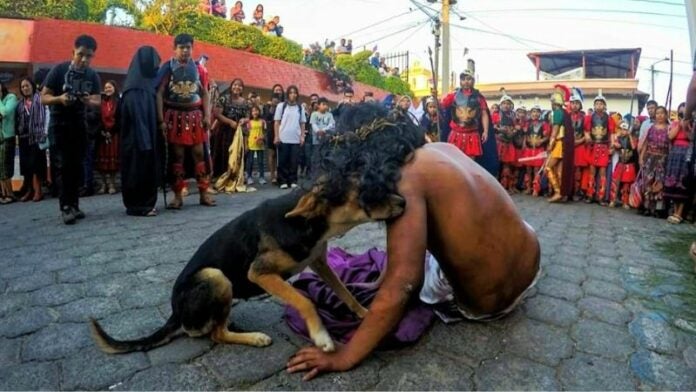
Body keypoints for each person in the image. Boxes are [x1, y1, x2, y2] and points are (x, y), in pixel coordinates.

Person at [286, 103, 540, 380]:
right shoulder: (441, 148)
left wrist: (346, 355)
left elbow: (404, 284)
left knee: (413, 270)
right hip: (530, 262)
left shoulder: (405, 180)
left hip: (488, 303)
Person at [41, 34, 102, 223]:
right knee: (62, 166)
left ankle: (74, 205)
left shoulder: (92, 75)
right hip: (59, 124)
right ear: (73, 52)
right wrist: (60, 99)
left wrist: (87, 100)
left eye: (88, 56)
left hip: (79, 124)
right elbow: (44, 97)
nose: (84, 59)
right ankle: (65, 207)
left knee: (77, 166)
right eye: (80, 54)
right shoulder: (59, 70)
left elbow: (98, 100)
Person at [156, 33, 215, 209]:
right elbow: (159, 93)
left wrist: (206, 115)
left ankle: (204, 193)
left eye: (188, 47)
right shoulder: (167, 67)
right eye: (181, 47)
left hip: (195, 116)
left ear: (192, 48)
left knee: (199, 154)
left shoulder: (200, 69)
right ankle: (178, 196)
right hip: (174, 116)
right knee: (177, 156)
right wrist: (161, 120)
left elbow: (204, 93)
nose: (185, 51)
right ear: (175, 49)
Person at [120, 46, 163, 217]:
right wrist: (146, 142)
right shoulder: (136, 88)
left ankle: (142, 204)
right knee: (137, 170)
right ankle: (140, 206)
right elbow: (138, 117)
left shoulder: (140, 84)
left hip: (142, 140)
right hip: (139, 142)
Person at [440, 70, 492, 173]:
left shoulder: (479, 97)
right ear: (460, 81)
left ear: (473, 81)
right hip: (456, 133)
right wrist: (435, 97)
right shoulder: (453, 95)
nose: (466, 81)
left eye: (468, 79)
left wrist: (485, 131)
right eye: (463, 79)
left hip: (471, 134)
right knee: (453, 161)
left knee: (470, 163)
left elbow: (484, 114)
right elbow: (443, 105)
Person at [15, 77, 47, 202]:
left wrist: (44, 132)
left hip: (37, 137)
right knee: (26, 166)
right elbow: (17, 120)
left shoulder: (40, 99)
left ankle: (38, 190)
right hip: (24, 138)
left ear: (32, 86)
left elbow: (46, 116)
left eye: (27, 85)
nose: (25, 88)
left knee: (36, 165)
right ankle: (29, 190)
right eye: (22, 87)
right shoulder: (20, 103)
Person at [212, 78, 249, 178]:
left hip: (238, 133)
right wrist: (230, 122)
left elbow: (247, 116)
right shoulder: (224, 98)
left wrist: (244, 120)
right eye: (235, 85)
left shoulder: (245, 102)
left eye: (239, 85)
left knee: (236, 155)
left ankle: (233, 178)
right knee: (223, 155)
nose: (237, 87)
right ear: (231, 86)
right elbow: (217, 114)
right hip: (224, 132)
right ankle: (220, 179)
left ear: (242, 88)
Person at [584, 90, 615, 205]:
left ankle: (601, 197)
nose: (599, 106)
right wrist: (587, 136)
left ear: (605, 105)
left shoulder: (609, 118)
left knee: (602, 172)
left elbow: (611, 133)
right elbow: (586, 130)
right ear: (594, 105)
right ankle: (590, 195)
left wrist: (612, 146)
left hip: (603, 147)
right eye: (597, 104)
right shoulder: (589, 118)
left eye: (601, 104)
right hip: (593, 147)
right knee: (592, 172)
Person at [638, 106, 670, 217]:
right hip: (650, 158)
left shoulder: (669, 128)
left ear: (666, 115)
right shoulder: (650, 128)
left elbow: (670, 145)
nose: (660, 115)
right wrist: (641, 157)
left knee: (660, 183)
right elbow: (646, 144)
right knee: (647, 182)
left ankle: (659, 209)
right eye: (657, 113)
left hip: (663, 159)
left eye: (662, 113)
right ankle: (647, 207)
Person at [545, 84, 575, 203]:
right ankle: (563, 193)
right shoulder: (565, 113)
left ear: (554, 102)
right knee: (559, 170)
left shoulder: (557, 112)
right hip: (564, 144)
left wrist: (550, 145)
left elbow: (555, 131)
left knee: (548, 167)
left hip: (559, 144)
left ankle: (558, 191)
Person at [273, 85, 306, 189]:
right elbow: (277, 122)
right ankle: (282, 180)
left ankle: (292, 180)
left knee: (294, 161)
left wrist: (302, 137)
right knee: (282, 161)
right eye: (291, 92)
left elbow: (302, 123)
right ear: (287, 94)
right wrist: (276, 136)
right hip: (283, 137)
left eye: (295, 92)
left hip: (295, 138)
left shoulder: (300, 108)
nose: (293, 94)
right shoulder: (281, 106)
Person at [664, 102, 691, 223]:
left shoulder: (692, 124)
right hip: (675, 153)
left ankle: (680, 212)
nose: (683, 115)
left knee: (683, 181)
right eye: (681, 113)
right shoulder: (675, 124)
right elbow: (670, 137)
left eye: (685, 112)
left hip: (687, 153)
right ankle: (675, 212)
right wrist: (680, 125)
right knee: (673, 181)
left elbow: (691, 137)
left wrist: (687, 125)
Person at [96, 80, 120, 194]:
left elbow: (120, 118)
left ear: (114, 88)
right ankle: (103, 183)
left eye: (109, 87)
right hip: (102, 135)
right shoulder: (101, 102)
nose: (107, 89)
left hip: (114, 134)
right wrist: (103, 131)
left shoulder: (119, 102)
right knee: (102, 161)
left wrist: (112, 131)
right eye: (105, 88)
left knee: (113, 160)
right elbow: (98, 117)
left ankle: (112, 183)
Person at [608, 121, 637, 209]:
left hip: (629, 164)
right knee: (615, 182)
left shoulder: (632, 138)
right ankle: (613, 200)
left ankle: (625, 201)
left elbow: (633, 147)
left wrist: (630, 136)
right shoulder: (618, 138)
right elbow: (615, 145)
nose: (623, 131)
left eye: (625, 129)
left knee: (627, 184)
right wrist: (616, 140)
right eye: (622, 129)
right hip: (620, 163)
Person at [521, 103, 548, 196]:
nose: (535, 114)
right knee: (528, 169)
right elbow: (525, 135)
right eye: (533, 111)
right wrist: (524, 144)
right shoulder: (527, 123)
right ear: (530, 113)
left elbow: (547, 136)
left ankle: (536, 189)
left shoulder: (544, 124)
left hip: (538, 149)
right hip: (529, 149)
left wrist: (541, 140)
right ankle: (528, 187)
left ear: (540, 113)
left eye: (537, 112)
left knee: (537, 169)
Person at [0, 81, 18, 204]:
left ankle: (10, 194)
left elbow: (4, 112)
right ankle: (3, 193)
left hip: (7, 137)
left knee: (6, 166)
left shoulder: (11, 98)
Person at [569, 88, 589, 201]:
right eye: (573, 103)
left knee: (578, 170)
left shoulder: (585, 118)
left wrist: (579, 141)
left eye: (577, 103)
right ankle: (569, 191)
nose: (575, 105)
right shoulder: (566, 117)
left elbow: (587, 133)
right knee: (569, 169)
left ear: (580, 105)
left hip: (580, 146)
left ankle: (578, 191)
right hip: (568, 147)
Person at [245, 104, 266, 185]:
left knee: (261, 162)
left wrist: (262, 138)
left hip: (260, 144)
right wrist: (246, 144)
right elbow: (246, 134)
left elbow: (265, 132)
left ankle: (261, 177)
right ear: (251, 113)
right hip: (251, 144)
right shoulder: (249, 122)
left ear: (259, 112)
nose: (255, 112)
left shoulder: (262, 122)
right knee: (250, 161)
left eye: (256, 110)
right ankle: (249, 177)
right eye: (253, 111)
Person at [264, 92, 281, 184]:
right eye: (274, 99)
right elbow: (267, 117)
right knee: (271, 154)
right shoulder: (267, 107)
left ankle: (279, 174)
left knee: (278, 155)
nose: (275, 101)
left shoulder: (282, 107)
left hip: (280, 132)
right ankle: (272, 175)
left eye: (277, 99)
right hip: (271, 133)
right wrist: (272, 107)